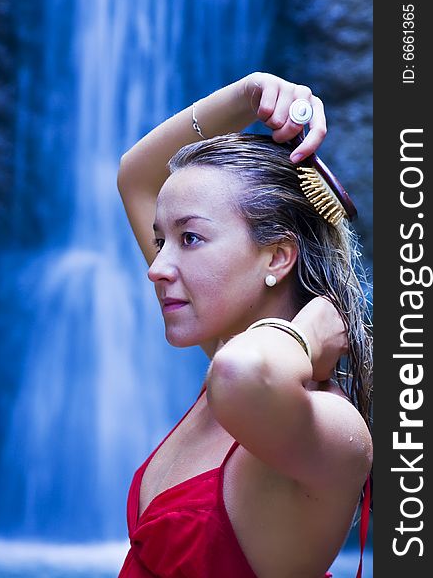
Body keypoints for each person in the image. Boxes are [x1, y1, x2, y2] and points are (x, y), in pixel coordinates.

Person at [116, 72, 373, 578]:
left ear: (277, 257)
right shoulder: (226, 343)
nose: (157, 267)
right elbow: (136, 176)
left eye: (189, 238)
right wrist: (249, 95)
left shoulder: (326, 425)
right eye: (160, 239)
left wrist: (309, 335)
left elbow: (245, 373)